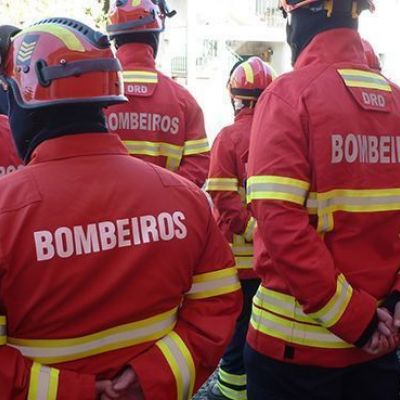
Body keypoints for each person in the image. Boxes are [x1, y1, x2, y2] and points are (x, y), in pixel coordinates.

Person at [0, 18, 241, 400]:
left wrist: (77, 391)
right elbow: (219, 302)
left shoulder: (6, 212)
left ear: (23, 101)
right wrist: (152, 376)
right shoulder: (186, 200)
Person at [245, 0, 400, 399]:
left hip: (295, 351)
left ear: (298, 17)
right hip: (382, 341)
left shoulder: (288, 96)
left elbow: (278, 222)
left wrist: (354, 318)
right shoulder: (396, 100)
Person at [205, 57, 275, 400]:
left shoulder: (228, 137)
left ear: (235, 97)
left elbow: (222, 196)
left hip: (240, 261)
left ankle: (232, 393)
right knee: (264, 329)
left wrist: (251, 231)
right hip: (275, 260)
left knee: (238, 331)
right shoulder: (282, 134)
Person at [105, 0, 210, 188]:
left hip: (106, 204)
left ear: (114, 38)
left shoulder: (94, 96)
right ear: (156, 37)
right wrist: (166, 197)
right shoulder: (183, 100)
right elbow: (199, 165)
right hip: (167, 205)